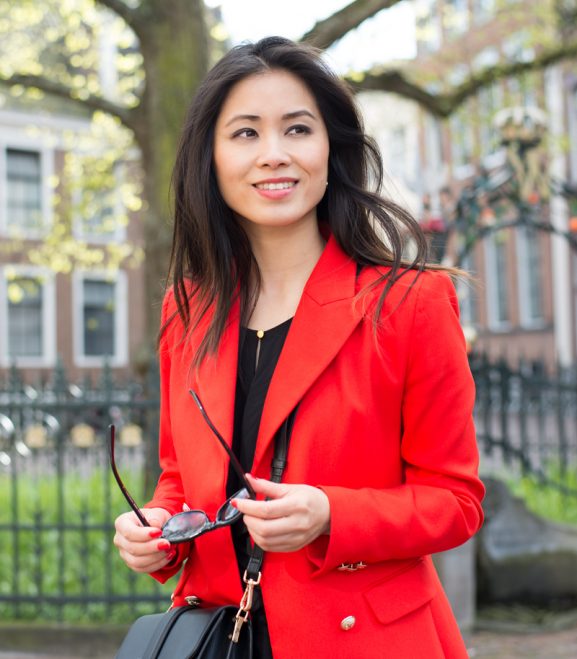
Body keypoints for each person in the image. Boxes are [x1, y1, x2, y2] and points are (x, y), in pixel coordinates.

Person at [113, 36, 485, 658]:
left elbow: (455, 500)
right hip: (217, 639)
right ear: (210, 157)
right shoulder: (187, 310)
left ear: (330, 148)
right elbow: (181, 477)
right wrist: (159, 527)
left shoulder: (408, 303)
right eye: (246, 133)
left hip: (365, 642)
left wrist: (332, 514)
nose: (275, 155)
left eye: (297, 129)